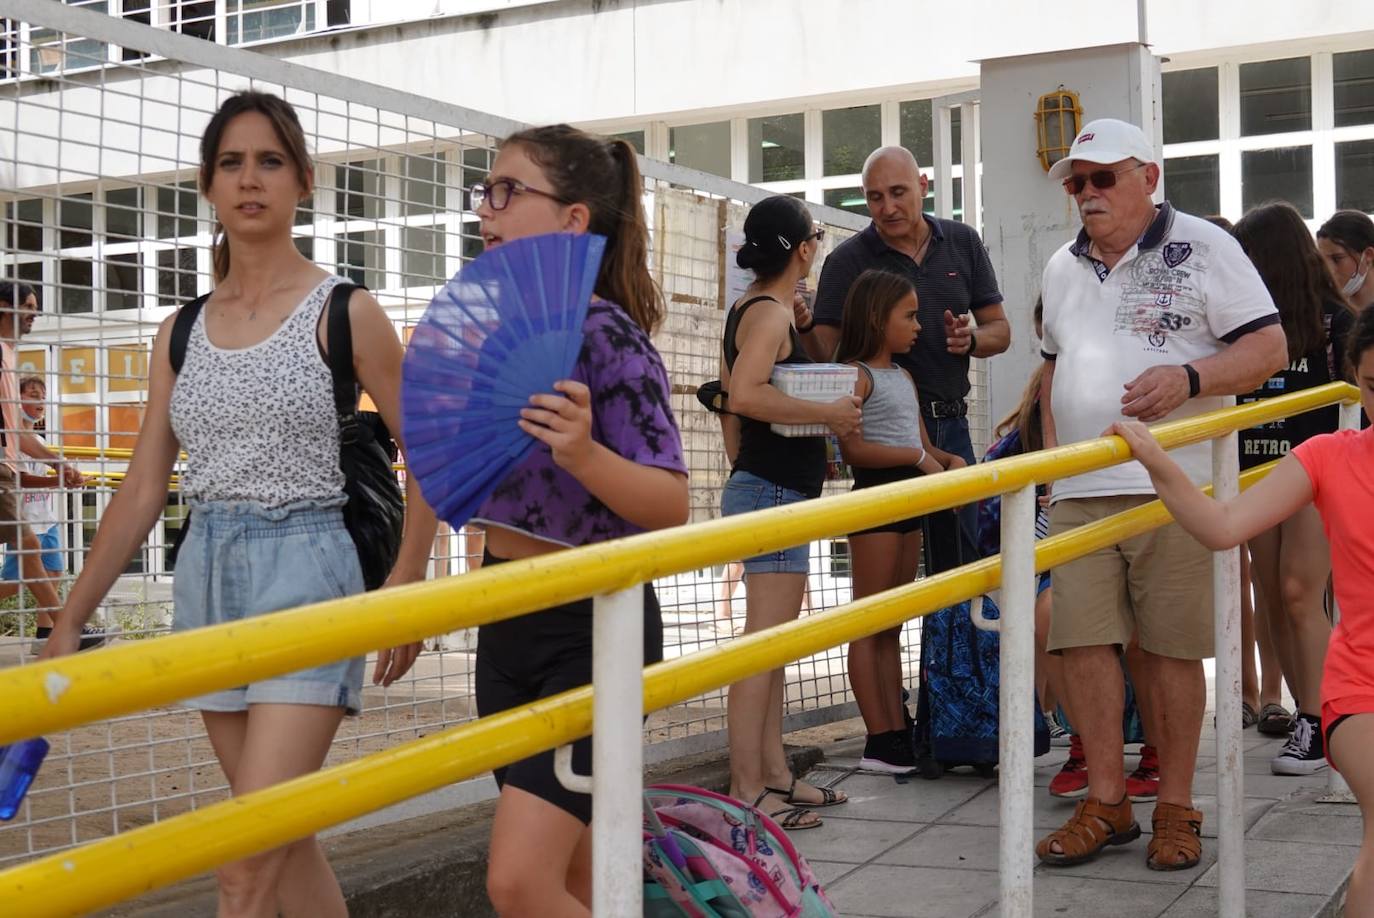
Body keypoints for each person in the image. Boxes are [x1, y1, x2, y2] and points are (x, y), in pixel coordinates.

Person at [39, 91, 437, 918]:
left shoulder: (346, 310)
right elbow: (145, 486)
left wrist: (408, 583)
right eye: (231, 163)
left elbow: (429, 455)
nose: (249, 179)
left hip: (310, 571)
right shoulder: (180, 330)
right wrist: (71, 616)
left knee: (242, 861)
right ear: (207, 186)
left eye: (269, 161)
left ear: (304, 181)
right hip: (208, 578)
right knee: (283, 843)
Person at [1034, 118, 1287, 871]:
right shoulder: (1059, 266)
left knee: (1171, 651)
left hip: (1175, 483)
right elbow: (1053, 369)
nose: (1086, 194)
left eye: (1102, 178)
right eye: (1076, 182)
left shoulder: (1209, 247)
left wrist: (1190, 378)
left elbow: (1270, 346)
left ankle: (1176, 804)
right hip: (1081, 486)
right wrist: (1051, 464)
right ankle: (1107, 801)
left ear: (1149, 175)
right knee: (1078, 642)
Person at [466, 124, 690, 916]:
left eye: (507, 191)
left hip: (593, 628)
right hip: (503, 620)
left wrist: (586, 454)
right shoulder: (490, 332)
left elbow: (672, 504)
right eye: (484, 191)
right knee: (581, 883)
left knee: (518, 882)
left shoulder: (607, 335)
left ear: (572, 220)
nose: (485, 211)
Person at [1106, 303, 1374, 914]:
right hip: (1362, 690)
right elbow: (1224, 526)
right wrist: (1153, 458)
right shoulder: (1329, 456)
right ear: (1355, 379)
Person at [718, 194, 860, 830]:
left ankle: (774, 774)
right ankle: (748, 787)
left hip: (769, 488)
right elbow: (744, 396)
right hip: (771, 492)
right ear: (804, 249)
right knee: (760, 650)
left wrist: (749, 469)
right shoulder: (770, 314)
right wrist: (827, 416)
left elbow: (731, 405)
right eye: (818, 237)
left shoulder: (760, 310)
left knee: (772, 647)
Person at [809, 145, 1010, 571]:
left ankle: (952, 641)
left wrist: (970, 340)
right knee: (887, 598)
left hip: (951, 425)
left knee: (961, 569)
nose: (888, 206)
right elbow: (823, 354)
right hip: (884, 435)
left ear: (924, 186)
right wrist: (807, 327)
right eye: (875, 197)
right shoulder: (846, 260)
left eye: (898, 192)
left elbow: (1001, 331)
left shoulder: (962, 242)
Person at [1233, 201, 1356, 775]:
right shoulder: (1246, 324)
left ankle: (1318, 717)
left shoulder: (1336, 323)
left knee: (1301, 591)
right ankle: (1315, 711)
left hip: (1318, 475)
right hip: (1257, 474)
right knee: (1274, 595)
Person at [833, 269, 963, 773]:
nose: (917, 325)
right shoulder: (854, 374)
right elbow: (853, 448)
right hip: (877, 504)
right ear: (875, 316)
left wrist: (951, 463)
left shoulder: (903, 376)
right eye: (907, 315)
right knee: (868, 623)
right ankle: (879, 737)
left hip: (911, 506)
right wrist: (916, 457)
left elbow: (927, 445)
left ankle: (896, 728)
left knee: (891, 625)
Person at [0, 284, 90, 646]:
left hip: (6, 469)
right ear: (5, 307)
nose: (35, 314)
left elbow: (16, 434)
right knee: (30, 550)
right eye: (29, 307)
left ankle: (64, 631)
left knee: (35, 554)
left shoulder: (7, 355)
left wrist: (57, 462)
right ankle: (69, 632)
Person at [0, 376, 100, 651]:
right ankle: (61, 633)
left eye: (42, 397)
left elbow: (42, 472)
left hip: (46, 518)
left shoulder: (37, 439)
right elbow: (17, 479)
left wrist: (63, 474)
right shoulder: (9, 438)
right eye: (32, 395)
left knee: (54, 571)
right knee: (18, 581)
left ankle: (45, 634)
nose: (39, 402)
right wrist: (59, 480)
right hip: (24, 518)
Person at [1317, 210, 1374, 313]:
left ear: (1368, 256)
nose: (1328, 269)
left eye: (1337, 259)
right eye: (1322, 261)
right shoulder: (1323, 311)